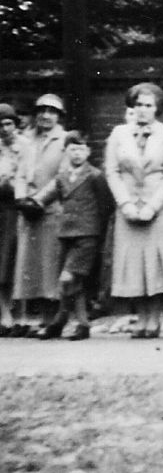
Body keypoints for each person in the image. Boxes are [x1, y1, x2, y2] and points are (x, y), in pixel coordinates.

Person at [104, 83, 163, 338]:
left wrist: (153, 206)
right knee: (133, 263)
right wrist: (126, 204)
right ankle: (140, 318)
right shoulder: (119, 133)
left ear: (157, 109)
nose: (142, 110)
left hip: (157, 208)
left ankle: (154, 319)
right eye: (138, 105)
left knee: (155, 262)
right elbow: (112, 171)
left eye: (148, 105)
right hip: (128, 206)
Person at [24, 131, 112, 340]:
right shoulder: (62, 177)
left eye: (81, 149)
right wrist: (32, 202)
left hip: (87, 235)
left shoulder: (95, 176)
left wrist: (99, 232)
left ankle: (61, 320)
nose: (77, 154)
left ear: (88, 151)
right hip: (65, 233)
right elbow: (45, 195)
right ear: (66, 152)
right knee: (75, 283)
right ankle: (81, 325)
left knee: (67, 278)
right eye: (72, 149)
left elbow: (106, 206)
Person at [12, 94, 68, 337]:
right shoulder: (26, 140)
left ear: (59, 116)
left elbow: (61, 177)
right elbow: (20, 172)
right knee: (30, 266)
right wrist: (21, 198)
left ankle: (51, 320)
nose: (46, 115)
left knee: (50, 266)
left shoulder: (64, 139)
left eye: (52, 111)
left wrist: (40, 200)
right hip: (28, 212)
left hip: (51, 211)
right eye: (42, 110)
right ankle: (37, 319)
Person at [0, 104, 30, 336]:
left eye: (8, 123)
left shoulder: (26, 146)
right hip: (2, 210)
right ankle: (5, 314)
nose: (4, 129)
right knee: (3, 262)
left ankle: (21, 315)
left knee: (21, 261)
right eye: (0, 125)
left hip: (22, 209)